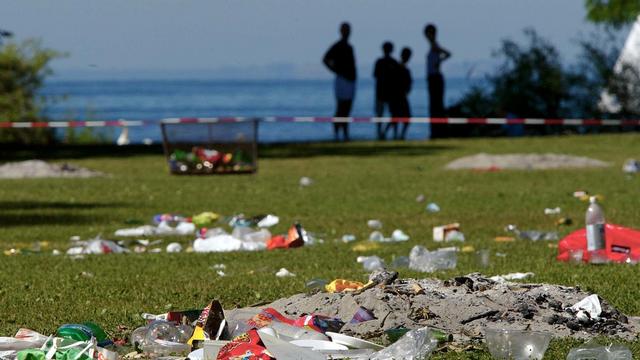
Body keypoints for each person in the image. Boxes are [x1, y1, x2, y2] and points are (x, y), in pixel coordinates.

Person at [323, 22, 357, 141]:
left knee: (347, 109)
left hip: (350, 80)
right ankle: (338, 133)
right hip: (343, 80)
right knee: (340, 108)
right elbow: (325, 59)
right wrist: (337, 70)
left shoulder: (349, 46)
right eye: (345, 30)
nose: (347, 32)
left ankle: (345, 133)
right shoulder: (338, 46)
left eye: (348, 30)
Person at [424, 24, 451, 137]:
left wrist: (438, 62)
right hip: (433, 78)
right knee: (435, 105)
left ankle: (438, 131)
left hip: (435, 78)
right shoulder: (433, 46)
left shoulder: (435, 45)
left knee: (436, 105)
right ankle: (436, 131)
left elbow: (448, 54)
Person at [385, 47, 413, 140]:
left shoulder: (404, 69)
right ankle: (391, 134)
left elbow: (408, 83)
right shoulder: (396, 67)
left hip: (401, 96)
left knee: (405, 117)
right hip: (395, 96)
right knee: (395, 117)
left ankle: (400, 135)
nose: (407, 57)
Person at [373, 41, 398, 140]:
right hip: (382, 93)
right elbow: (376, 76)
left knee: (392, 114)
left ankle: (385, 133)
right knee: (381, 115)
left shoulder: (392, 62)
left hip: (389, 93)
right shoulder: (381, 62)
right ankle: (382, 133)